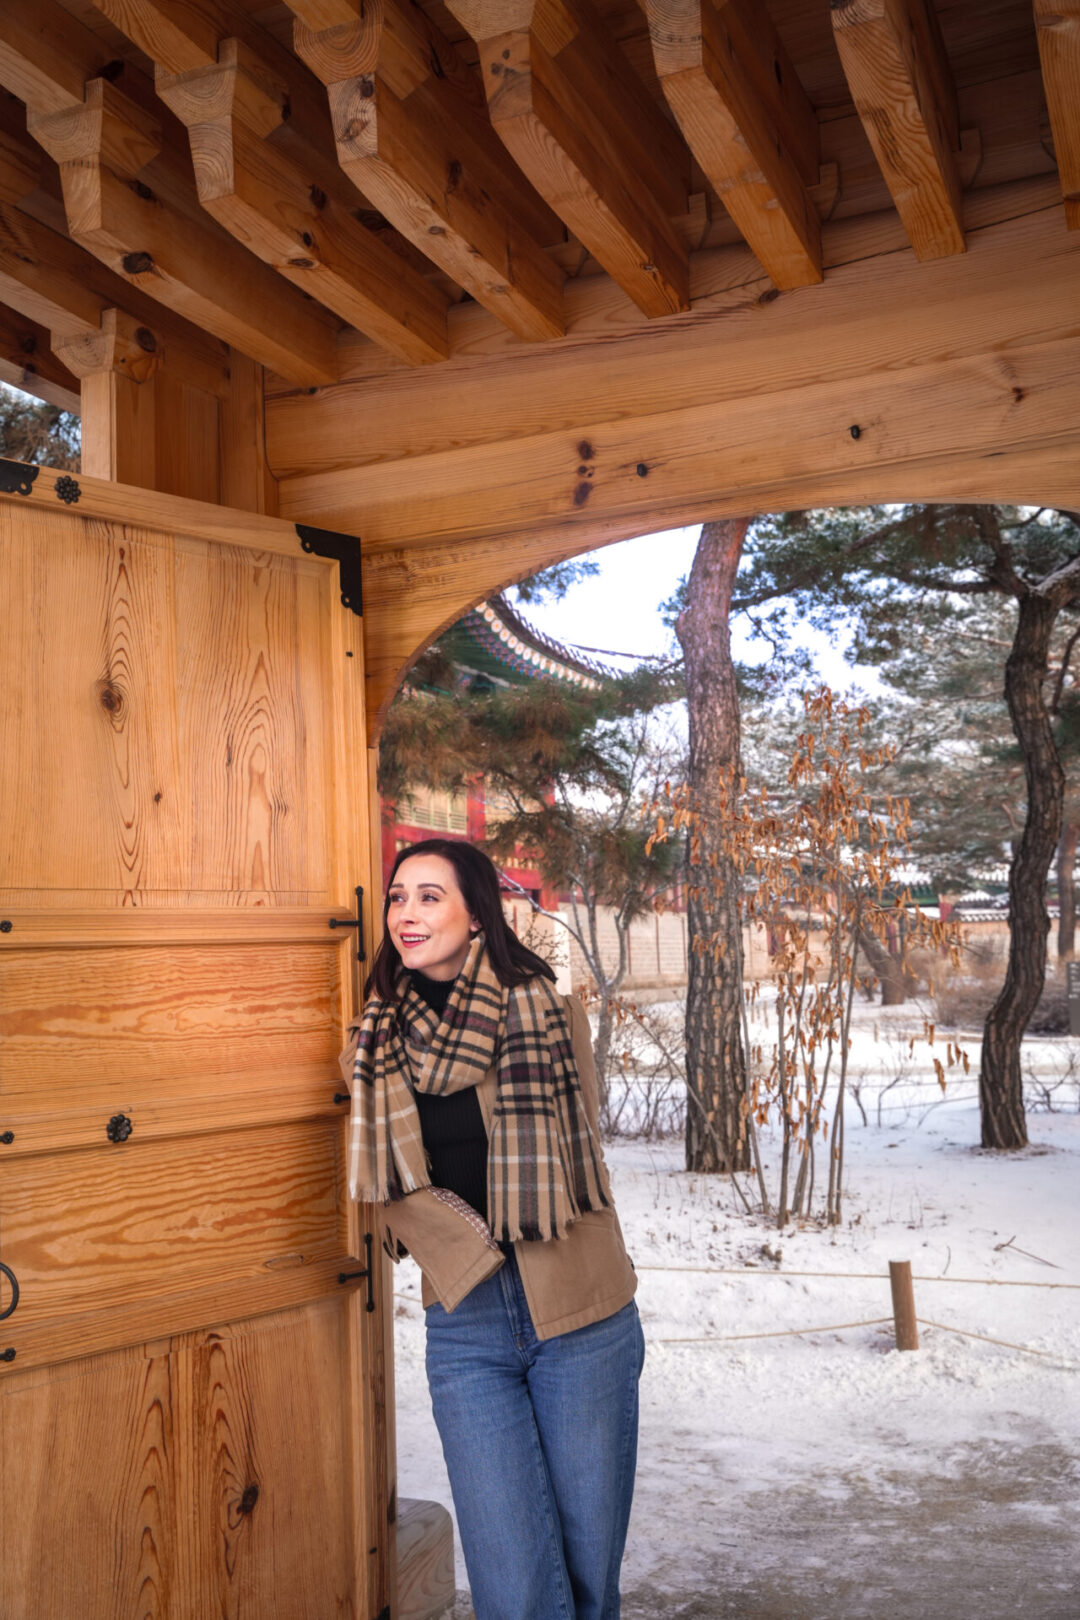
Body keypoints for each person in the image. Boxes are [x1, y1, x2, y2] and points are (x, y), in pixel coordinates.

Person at [342, 837, 645, 1620]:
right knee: (511, 1579)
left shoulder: (543, 1010)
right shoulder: (374, 1046)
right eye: (397, 896)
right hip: (466, 1319)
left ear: (475, 912)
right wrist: (465, 1249)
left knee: (585, 1571)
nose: (406, 913)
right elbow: (390, 1187)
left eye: (429, 896)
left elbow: (584, 1155)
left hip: (580, 1308)